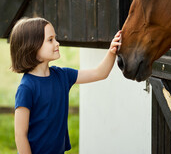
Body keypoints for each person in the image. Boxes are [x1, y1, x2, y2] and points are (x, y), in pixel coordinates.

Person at [9, 17, 121, 154]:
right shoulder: (26, 88)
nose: (57, 43)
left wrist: (111, 51)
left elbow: (100, 73)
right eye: (50, 40)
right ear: (32, 46)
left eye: (55, 38)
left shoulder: (62, 76)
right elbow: (20, 135)